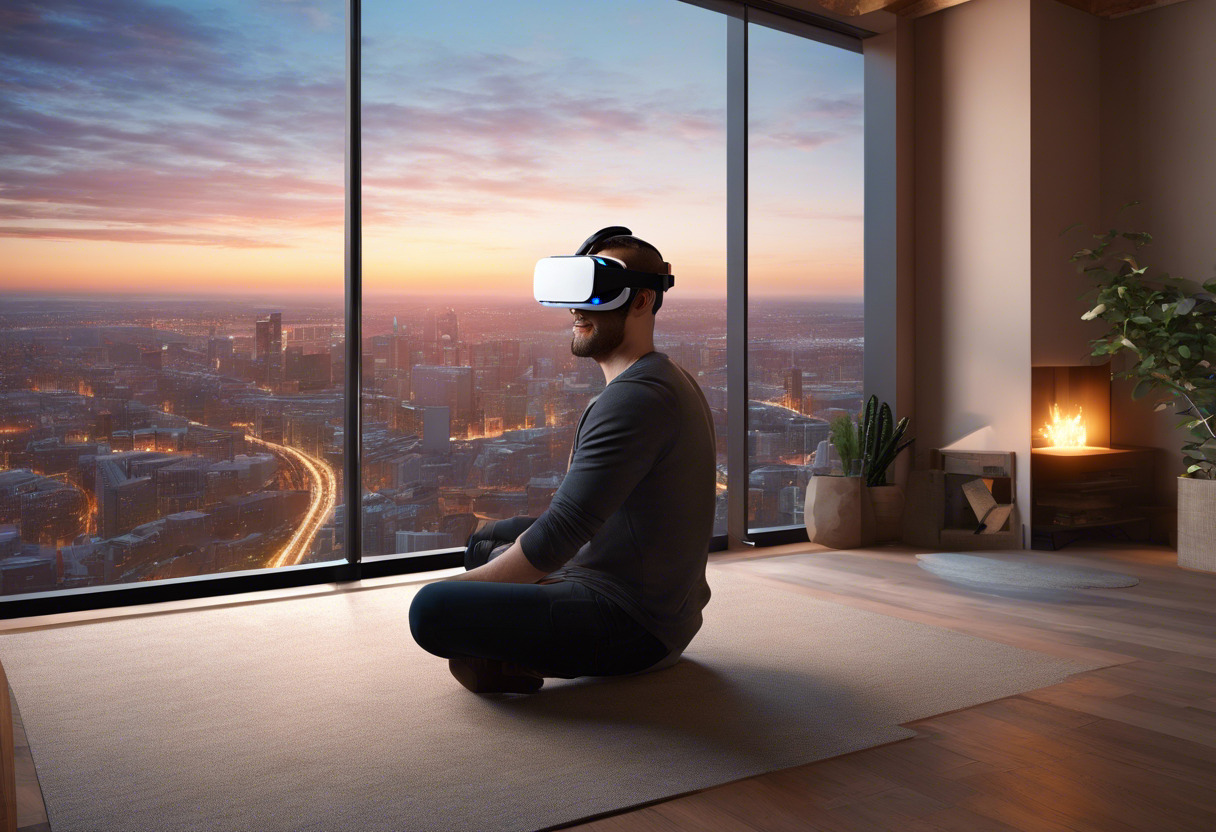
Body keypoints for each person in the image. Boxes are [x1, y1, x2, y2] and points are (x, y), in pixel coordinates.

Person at [408, 232, 717, 694]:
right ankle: (505, 649)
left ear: (641, 301)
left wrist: (469, 589)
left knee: (431, 608)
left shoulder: (636, 397)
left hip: (635, 623)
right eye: (574, 290)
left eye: (595, 290)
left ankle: (509, 649)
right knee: (485, 540)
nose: (576, 309)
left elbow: (561, 533)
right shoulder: (665, 376)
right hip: (654, 595)